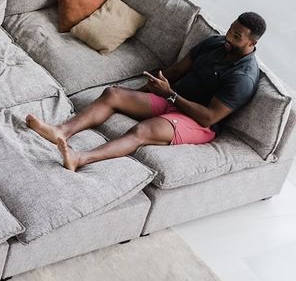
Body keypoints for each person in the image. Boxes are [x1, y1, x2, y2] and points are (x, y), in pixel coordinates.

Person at [26, 12, 266, 172]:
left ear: (251, 44)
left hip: (197, 122)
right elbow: (176, 71)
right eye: (230, 30)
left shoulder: (242, 77)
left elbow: (208, 117)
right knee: (113, 94)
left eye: (236, 36)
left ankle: (79, 159)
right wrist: (144, 93)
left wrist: (170, 94)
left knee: (142, 130)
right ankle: (61, 131)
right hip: (172, 98)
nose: (228, 37)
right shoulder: (214, 43)